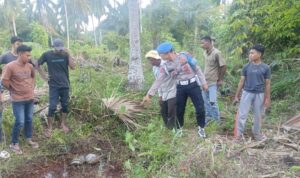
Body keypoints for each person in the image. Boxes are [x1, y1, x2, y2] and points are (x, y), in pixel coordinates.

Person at [143, 42, 208, 138]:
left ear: (167, 53)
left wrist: (204, 82)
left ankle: (201, 128)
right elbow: (158, 81)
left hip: (193, 85)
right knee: (179, 110)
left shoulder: (185, 56)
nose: (160, 56)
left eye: (161, 54)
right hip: (180, 88)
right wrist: (149, 95)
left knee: (200, 108)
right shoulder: (165, 66)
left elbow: (197, 69)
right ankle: (179, 129)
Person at [1, 45, 38, 154]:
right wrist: (12, 89)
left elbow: (33, 77)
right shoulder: (10, 66)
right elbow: (4, 81)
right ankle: (14, 143)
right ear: (20, 54)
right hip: (18, 100)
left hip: (29, 98)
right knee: (20, 121)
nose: (29, 57)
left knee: (29, 119)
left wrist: (31, 87)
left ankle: (28, 138)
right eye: (27, 55)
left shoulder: (29, 66)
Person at [37, 38, 76, 137]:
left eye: (61, 48)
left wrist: (69, 54)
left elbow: (73, 66)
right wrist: (44, 76)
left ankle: (63, 124)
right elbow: (37, 64)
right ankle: (50, 128)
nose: (59, 50)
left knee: (65, 105)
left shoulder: (65, 54)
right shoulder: (47, 55)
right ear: (53, 47)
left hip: (65, 85)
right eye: (57, 48)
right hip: (53, 85)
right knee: (52, 106)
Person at [233, 44, 271, 141]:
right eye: (250, 53)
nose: (250, 55)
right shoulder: (246, 67)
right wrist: (236, 95)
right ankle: (238, 136)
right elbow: (241, 81)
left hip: (260, 94)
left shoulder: (266, 68)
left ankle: (257, 134)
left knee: (258, 115)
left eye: (252, 53)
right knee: (242, 114)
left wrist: (267, 98)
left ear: (259, 54)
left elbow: (267, 84)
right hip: (247, 93)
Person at [144, 50, 177, 129]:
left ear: (157, 59)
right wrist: (160, 95)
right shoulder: (154, 68)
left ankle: (173, 127)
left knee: (171, 110)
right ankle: (168, 127)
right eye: (150, 60)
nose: (150, 62)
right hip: (163, 91)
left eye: (152, 60)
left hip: (173, 89)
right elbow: (157, 82)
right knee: (163, 111)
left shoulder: (167, 64)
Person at [200, 36, 226, 122]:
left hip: (213, 82)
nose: (202, 45)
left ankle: (216, 121)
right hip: (205, 81)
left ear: (209, 43)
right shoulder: (205, 52)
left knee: (213, 102)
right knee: (205, 102)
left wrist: (220, 80)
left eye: (203, 43)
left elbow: (223, 66)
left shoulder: (217, 53)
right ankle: (209, 118)